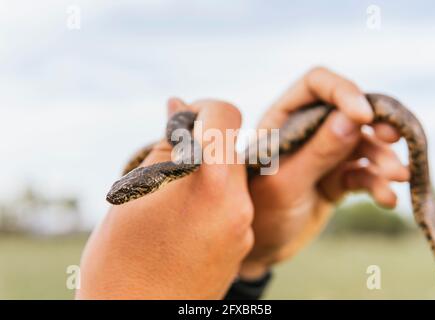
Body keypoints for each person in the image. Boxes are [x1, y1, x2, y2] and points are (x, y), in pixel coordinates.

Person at [76, 67, 409, 299]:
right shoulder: (182, 160)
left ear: (146, 186)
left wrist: (248, 261)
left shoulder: (186, 159)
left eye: (129, 191)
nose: (124, 196)